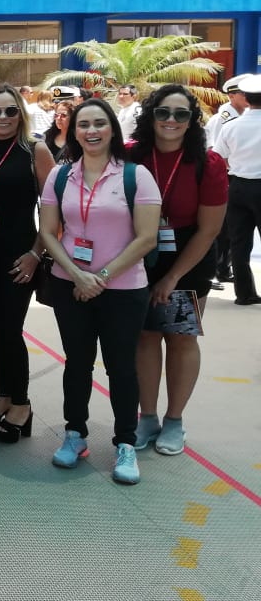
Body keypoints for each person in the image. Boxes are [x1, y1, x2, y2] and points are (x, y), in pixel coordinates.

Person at [38, 99, 161, 485]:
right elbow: (48, 231)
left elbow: (147, 238)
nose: (91, 131)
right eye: (84, 124)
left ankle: (125, 441)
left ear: (112, 129)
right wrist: (78, 275)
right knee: (77, 362)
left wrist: (100, 277)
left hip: (123, 288)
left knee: (121, 365)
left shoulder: (136, 176)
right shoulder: (60, 176)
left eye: (99, 123)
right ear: (73, 131)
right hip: (70, 284)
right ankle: (75, 434)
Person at [128, 85, 228, 456]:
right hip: (140, 253)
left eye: (180, 114)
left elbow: (209, 230)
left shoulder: (207, 163)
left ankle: (174, 420)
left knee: (180, 337)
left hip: (188, 256)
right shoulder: (131, 155)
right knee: (145, 336)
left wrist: (173, 278)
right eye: (163, 112)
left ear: (191, 121)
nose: (171, 120)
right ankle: (147, 417)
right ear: (151, 116)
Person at [0, 85, 56, 441]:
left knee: (10, 329)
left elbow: (53, 210)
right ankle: (4, 396)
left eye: (10, 111)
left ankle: (21, 403)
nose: (2, 118)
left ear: (21, 113)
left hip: (20, 256)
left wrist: (36, 254)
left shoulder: (36, 150)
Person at [212, 74, 261, 306]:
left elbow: (218, 157)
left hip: (238, 186)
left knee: (239, 243)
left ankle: (244, 294)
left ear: (246, 98)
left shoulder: (231, 125)